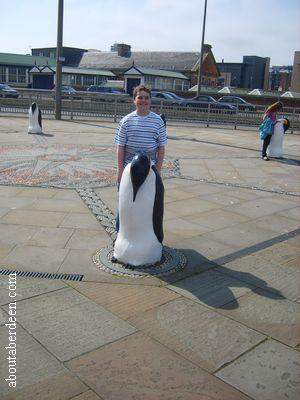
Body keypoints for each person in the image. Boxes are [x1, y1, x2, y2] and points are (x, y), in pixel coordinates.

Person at [114, 85, 167, 184]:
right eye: (140, 97)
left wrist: (158, 170)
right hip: (129, 169)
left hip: (150, 169)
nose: (143, 100)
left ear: (150, 100)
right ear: (134, 100)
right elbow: (120, 148)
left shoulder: (158, 121)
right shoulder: (126, 121)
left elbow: (161, 148)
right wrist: (120, 171)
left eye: (146, 98)